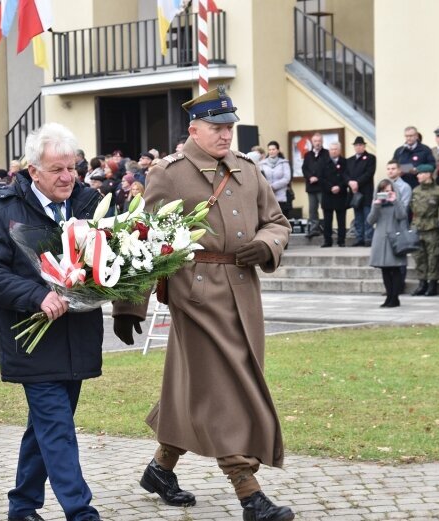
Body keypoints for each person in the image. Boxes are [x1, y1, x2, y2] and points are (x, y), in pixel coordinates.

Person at [112, 86, 294, 521]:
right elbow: (143, 237)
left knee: (201, 387)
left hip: (243, 294)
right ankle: (249, 493)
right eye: (217, 127)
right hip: (193, 294)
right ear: (194, 129)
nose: (226, 135)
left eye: (229, 127)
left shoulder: (249, 170)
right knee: (222, 389)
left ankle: (160, 469)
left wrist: (265, 246)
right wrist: (129, 306)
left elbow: (277, 222)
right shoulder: (169, 172)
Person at [0, 123, 104, 521]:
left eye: (72, 168)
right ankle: (81, 512)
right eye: (57, 170)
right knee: (57, 428)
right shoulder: (1, 209)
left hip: (77, 336)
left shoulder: (90, 203)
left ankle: (22, 506)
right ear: (33, 172)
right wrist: (36, 295)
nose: (67, 177)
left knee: (44, 429)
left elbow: (112, 255)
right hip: (30, 340)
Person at [368, 179, 408, 308]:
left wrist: (395, 200)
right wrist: (376, 205)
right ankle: (389, 297)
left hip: (394, 238)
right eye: (384, 191)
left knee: (395, 268)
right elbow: (370, 220)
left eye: (389, 190)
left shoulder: (397, 201)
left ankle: (395, 298)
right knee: (384, 269)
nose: (387, 193)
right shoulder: (377, 203)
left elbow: (402, 215)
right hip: (380, 238)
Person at [409, 164, 439, 296]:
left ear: (429, 174)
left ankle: (432, 284)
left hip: (433, 227)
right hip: (418, 226)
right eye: (418, 174)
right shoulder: (416, 190)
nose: (418, 176)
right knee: (419, 257)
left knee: (433, 257)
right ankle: (422, 283)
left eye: (421, 173)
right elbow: (412, 208)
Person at [347, 136, 376, 246]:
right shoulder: (350, 160)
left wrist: (357, 182)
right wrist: (350, 182)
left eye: (360, 145)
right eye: (356, 145)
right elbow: (345, 174)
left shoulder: (370, 158)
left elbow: (369, 173)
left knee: (367, 216)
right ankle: (359, 238)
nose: (358, 147)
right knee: (358, 217)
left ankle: (368, 238)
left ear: (364, 146)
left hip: (366, 192)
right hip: (355, 193)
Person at [320, 142, 349, 247]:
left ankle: (341, 240)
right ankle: (327, 241)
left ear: (340, 150)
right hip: (328, 195)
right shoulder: (323, 162)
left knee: (341, 220)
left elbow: (347, 177)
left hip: (341, 195)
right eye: (331, 149)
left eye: (336, 149)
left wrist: (340, 187)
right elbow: (321, 178)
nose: (333, 151)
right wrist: (330, 188)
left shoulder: (345, 162)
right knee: (327, 220)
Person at [301, 132, 328, 237]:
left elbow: (327, 169)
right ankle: (314, 229)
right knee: (312, 209)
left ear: (322, 142)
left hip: (322, 186)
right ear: (312, 142)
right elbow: (304, 169)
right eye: (315, 141)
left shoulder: (326, 154)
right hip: (311, 187)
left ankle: (327, 228)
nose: (317, 143)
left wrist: (318, 178)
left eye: (319, 141)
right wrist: (310, 177)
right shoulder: (308, 155)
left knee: (325, 208)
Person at [259, 140, 292, 219]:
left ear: (277, 150)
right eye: (269, 150)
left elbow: (287, 178)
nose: (271, 151)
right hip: (267, 195)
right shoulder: (262, 164)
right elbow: (260, 177)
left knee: (281, 218)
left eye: (273, 149)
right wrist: (267, 187)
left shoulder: (284, 163)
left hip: (281, 196)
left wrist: (273, 186)